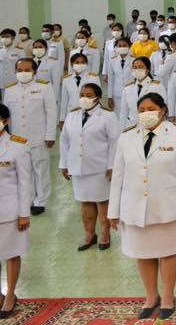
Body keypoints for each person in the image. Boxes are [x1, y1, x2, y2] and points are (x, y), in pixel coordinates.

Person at [107, 92, 176, 321]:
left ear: (163, 110)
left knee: (169, 251)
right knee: (143, 252)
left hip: (168, 206)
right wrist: (113, 211)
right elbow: (118, 175)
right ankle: (151, 296)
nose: (145, 113)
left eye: (151, 109)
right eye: (141, 110)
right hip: (134, 207)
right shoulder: (127, 137)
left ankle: (167, 295)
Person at [59, 83, 119, 250]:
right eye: (82, 95)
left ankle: (105, 233)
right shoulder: (72, 115)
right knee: (85, 202)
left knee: (102, 201)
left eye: (89, 95)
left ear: (97, 97)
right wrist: (64, 163)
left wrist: (112, 165)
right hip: (77, 166)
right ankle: (89, 234)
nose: (84, 98)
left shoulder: (108, 116)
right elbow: (64, 140)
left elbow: (114, 142)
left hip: (100, 167)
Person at [4, 58, 56, 215]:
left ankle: (41, 201)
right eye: (20, 70)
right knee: (23, 170)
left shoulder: (44, 87)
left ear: (34, 71)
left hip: (39, 136)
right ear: (15, 72)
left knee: (40, 169)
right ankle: (29, 199)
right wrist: (7, 138)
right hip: (17, 139)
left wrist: (50, 135)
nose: (23, 73)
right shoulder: (10, 90)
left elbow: (51, 111)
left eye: (27, 70)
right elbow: (6, 117)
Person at [0, 102, 31, 318]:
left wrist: (23, 214)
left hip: (8, 211)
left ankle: (10, 294)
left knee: (11, 253)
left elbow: (24, 182)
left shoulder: (17, 146)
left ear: (6, 121)